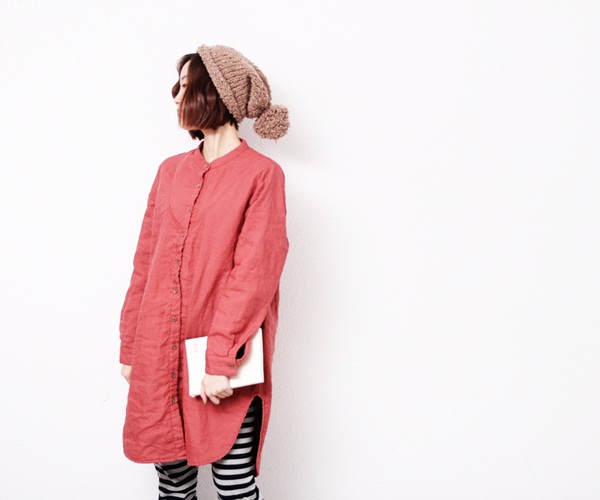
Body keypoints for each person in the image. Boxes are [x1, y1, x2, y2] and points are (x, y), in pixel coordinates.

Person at [118, 45, 290, 500]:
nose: (176, 97)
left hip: (224, 358)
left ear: (216, 93)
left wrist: (218, 362)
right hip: (160, 354)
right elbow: (145, 263)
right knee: (173, 484)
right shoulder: (169, 172)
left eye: (185, 87)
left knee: (234, 485)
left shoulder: (262, 175)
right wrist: (131, 347)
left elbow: (254, 276)